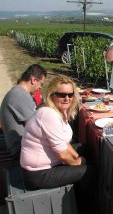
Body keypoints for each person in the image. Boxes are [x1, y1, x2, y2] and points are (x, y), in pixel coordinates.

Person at [20, 75, 95, 211]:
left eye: (70, 94)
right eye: (61, 95)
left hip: (47, 163)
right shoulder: (48, 114)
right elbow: (62, 155)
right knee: (88, 172)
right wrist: (79, 162)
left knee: (86, 149)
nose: (67, 98)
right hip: (38, 173)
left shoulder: (59, 111)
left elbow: (64, 143)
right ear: (52, 95)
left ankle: (81, 190)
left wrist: (79, 157)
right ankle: (84, 207)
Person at [0, 64, 46, 159]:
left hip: (20, 146)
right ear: (33, 80)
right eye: (41, 84)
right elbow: (37, 127)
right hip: (21, 149)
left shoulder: (16, 92)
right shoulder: (20, 95)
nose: (40, 87)